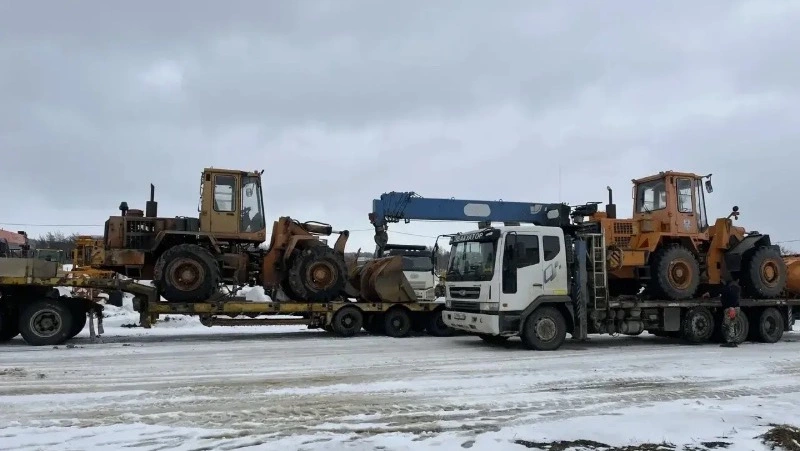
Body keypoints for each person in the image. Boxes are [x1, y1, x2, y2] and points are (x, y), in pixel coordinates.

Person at [719, 277, 742, 347]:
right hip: (732, 308)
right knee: (732, 324)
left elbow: (734, 297)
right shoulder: (730, 287)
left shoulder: (732, 287)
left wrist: (732, 307)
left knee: (730, 324)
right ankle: (734, 341)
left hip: (731, 308)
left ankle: (731, 342)